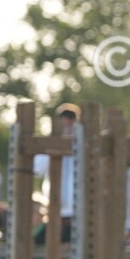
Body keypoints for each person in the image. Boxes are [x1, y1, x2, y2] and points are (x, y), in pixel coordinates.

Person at [33, 103, 79, 242]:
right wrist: (55, 145)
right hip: (54, 211)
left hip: (77, 212)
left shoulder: (84, 146)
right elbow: (37, 169)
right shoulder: (49, 146)